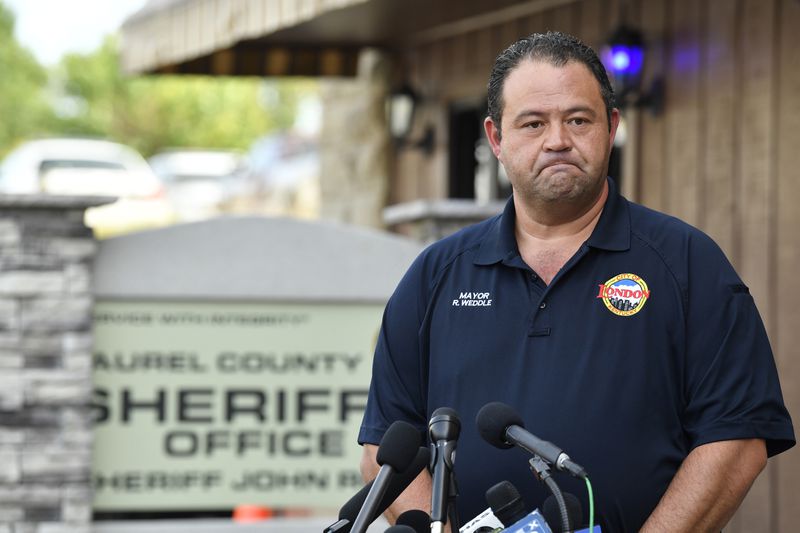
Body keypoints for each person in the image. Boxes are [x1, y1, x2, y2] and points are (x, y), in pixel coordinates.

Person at [358, 31, 794, 532]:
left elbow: (736, 441)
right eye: (533, 123)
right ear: (496, 138)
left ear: (611, 127)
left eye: (578, 120)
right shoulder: (435, 276)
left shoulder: (688, 264)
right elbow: (383, 448)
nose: (558, 140)